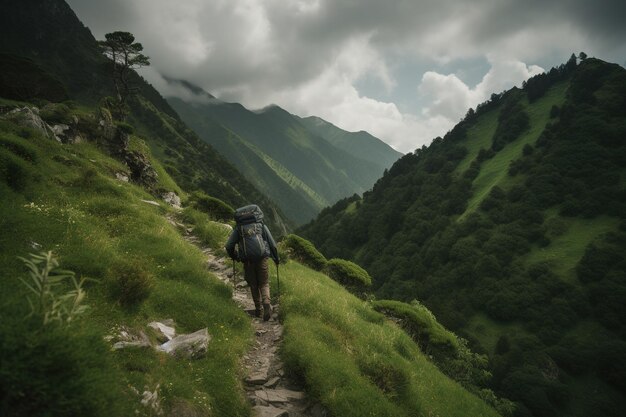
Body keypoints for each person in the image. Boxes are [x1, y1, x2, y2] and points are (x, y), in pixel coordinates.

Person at [225, 205, 279, 321]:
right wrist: (276, 259)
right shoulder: (261, 226)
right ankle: (266, 303)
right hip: (262, 258)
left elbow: (228, 245)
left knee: (254, 285)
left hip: (248, 261)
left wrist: (235, 256)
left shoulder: (239, 229)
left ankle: (258, 310)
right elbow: (272, 244)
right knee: (264, 283)